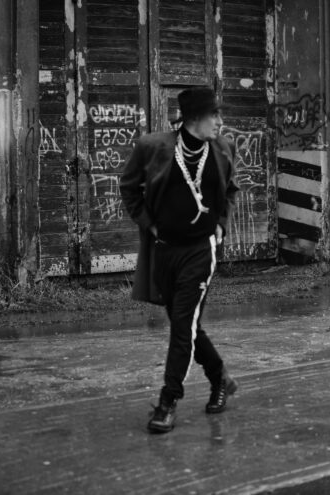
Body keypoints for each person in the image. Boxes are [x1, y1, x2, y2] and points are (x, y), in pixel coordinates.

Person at [120, 86, 240, 434]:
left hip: (201, 251)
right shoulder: (153, 148)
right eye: (214, 115)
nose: (220, 121)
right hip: (165, 251)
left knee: (182, 326)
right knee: (187, 326)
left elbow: (230, 190)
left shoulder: (223, 148)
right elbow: (128, 187)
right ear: (194, 118)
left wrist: (221, 223)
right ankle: (219, 378)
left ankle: (168, 400)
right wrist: (149, 224)